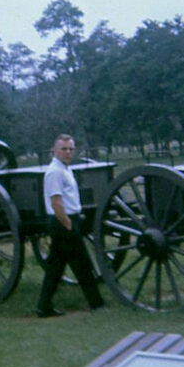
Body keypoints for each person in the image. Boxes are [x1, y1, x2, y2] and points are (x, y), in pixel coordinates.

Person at [35, 134, 107, 317]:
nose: (68, 152)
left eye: (71, 149)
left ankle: (43, 307)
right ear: (55, 150)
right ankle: (97, 305)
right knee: (82, 264)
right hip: (63, 222)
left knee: (55, 267)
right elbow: (56, 202)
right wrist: (68, 223)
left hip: (66, 220)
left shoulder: (65, 169)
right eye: (64, 149)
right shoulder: (55, 172)